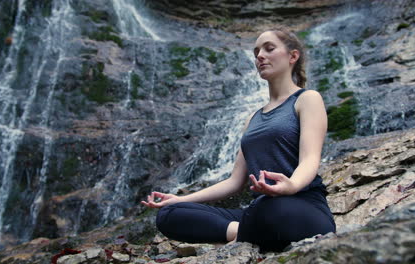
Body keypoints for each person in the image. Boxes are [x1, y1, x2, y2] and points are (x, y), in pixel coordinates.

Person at [141, 26, 336, 252]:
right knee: (169, 214)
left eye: (269, 48)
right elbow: (235, 182)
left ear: (293, 56)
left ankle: (244, 234)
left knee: (271, 208)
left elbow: (310, 159)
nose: (260, 56)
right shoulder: (252, 119)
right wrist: (181, 199)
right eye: (256, 52)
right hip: (259, 212)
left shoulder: (307, 99)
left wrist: (290, 186)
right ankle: (241, 232)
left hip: (301, 207)